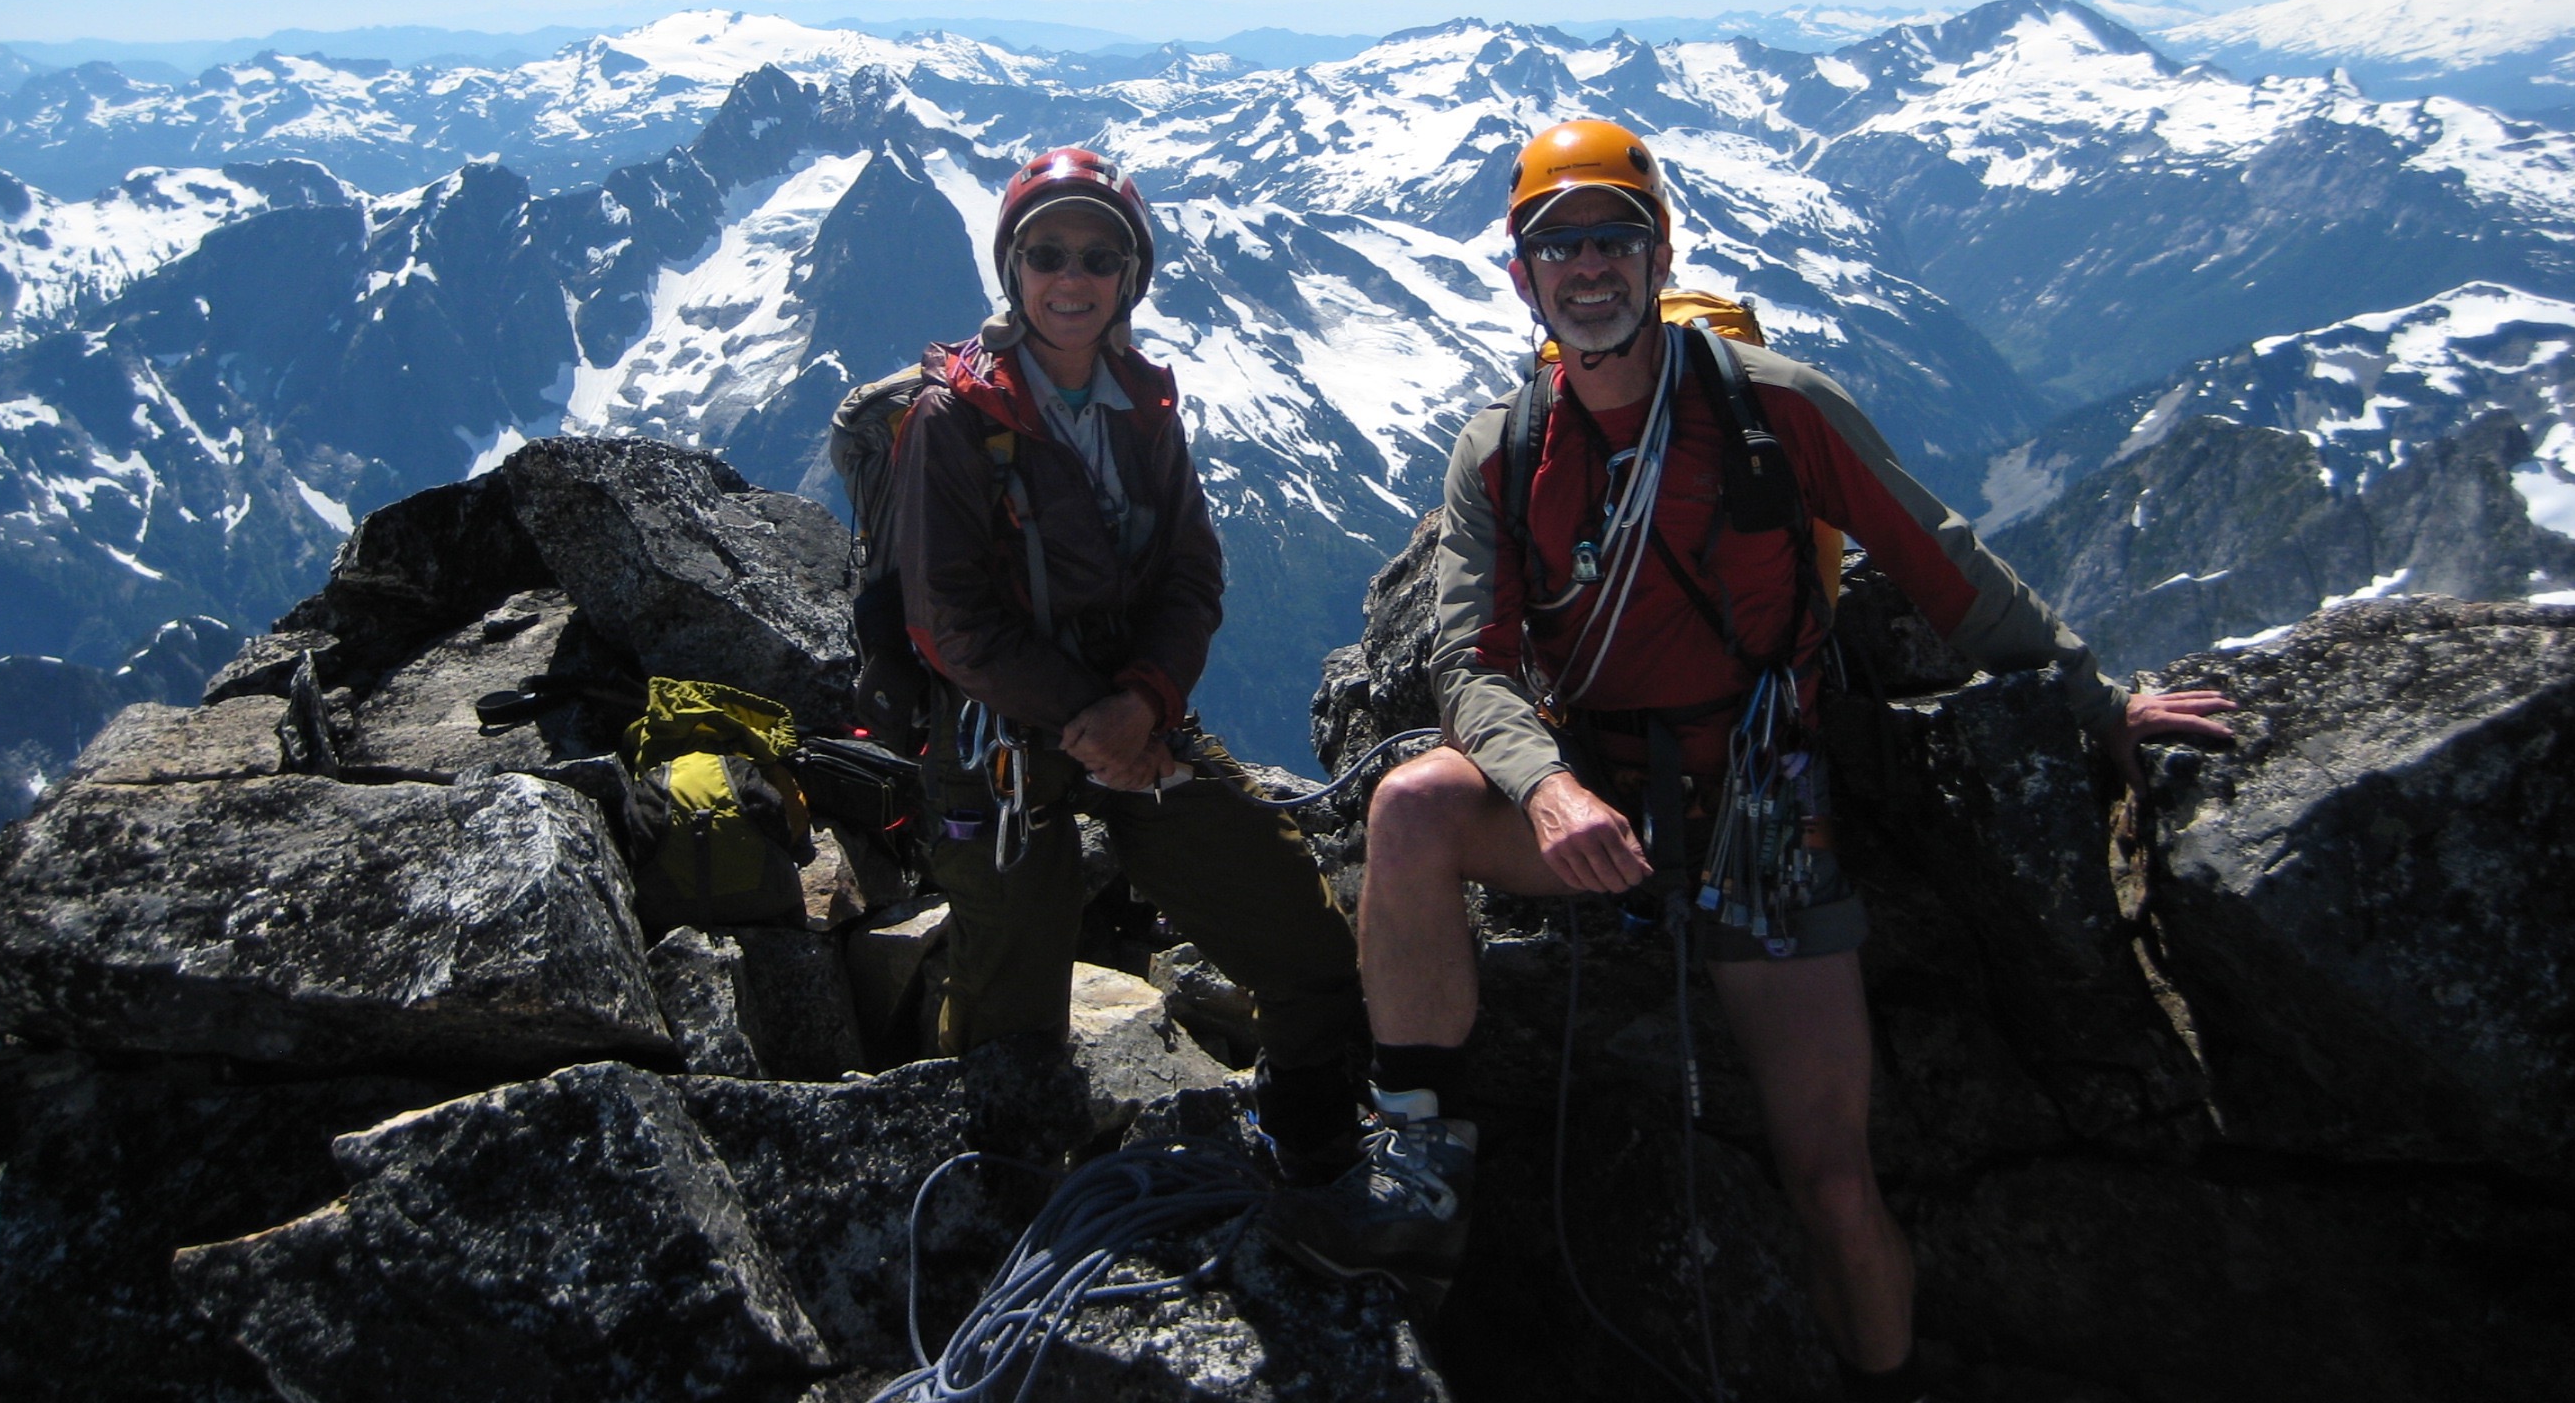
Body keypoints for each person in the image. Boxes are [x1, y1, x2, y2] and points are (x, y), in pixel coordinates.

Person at [1270, 119, 2234, 1398]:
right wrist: (1548, 787)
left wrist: (2096, 701)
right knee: (1412, 810)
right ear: (1523, 278)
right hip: (1605, 798)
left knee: (1832, 1180)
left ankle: (1883, 1377)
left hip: (1766, 813)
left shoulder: (1774, 407)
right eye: (1558, 245)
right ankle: (1421, 1158)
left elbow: (1942, 565)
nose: (1588, 265)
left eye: (1613, 237)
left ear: (1658, 255)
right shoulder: (1503, 453)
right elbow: (1469, 664)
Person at [887, 146, 1367, 1173]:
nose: (1073, 277)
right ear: (1013, 269)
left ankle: (1318, 1135)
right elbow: (949, 626)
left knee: (1303, 937)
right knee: (1010, 1029)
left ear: (1130, 277)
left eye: (1100, 257)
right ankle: (997, 1195)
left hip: (1134, 720)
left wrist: (1143, 707)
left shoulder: (1144, 406)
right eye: (1048, 251)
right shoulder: (953, 420)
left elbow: (1192, 575)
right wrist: (1101, 724)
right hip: (1001, 741)